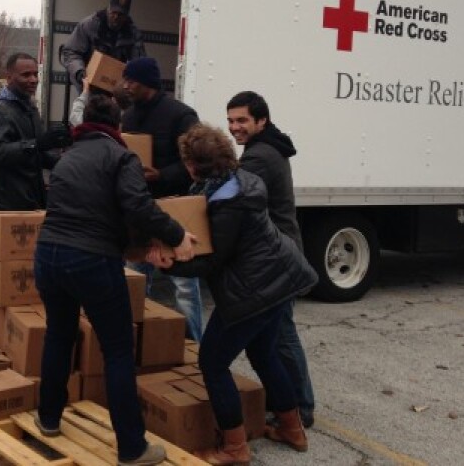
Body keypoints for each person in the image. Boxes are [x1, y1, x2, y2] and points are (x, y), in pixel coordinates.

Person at [34, 94, 197, 466]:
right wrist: (175, 235)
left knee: (59, 336)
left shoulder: (67, 157)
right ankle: (131, 448)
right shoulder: (121, 157)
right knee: (118, 350)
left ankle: (48, 418)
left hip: (48, 255)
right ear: (117, 125)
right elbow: (138, 207)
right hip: (90, 259)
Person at [148, 123, 318, 464]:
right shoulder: (237, 182)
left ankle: (235, 448)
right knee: (265, 354)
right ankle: (292, 429)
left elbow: (212, 263)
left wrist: (166, 265)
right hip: (279, 279)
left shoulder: (227, 203)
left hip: (254, 290)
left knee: (212, 362)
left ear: (193, 165)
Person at [227, 90, 316, 429]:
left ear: (261, 121)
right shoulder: (265, 147)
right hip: (279, 252)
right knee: (275, 335)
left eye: (242, 121)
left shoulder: (259, 157)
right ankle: (291, 403)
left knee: (280, 335)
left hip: (277, 258)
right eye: (231, 120)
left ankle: (301, 408)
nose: (235, 127)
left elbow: (234, 199)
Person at [120, 57, 204, 342]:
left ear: (149, 84)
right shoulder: (129, 116)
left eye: (132, 80)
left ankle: (194, 349)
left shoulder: (181, 115)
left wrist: (161, 175)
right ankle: (137, 343)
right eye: (125, 79)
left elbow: (198, 163)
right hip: (140, 211)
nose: (126, 85)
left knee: (184, 285)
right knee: (135, 278)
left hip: (175, 208)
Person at [0, 52, 72, 228]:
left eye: (36, 74)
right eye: (26, 75)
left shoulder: (29, 108)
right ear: (9, 78)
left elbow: (35, 155)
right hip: (4, 205)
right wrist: (37, 144)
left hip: (30, 200)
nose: (33, 80)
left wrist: (65, 161)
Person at [60, 0, 146, 93]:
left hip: (116, 88)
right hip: (88, 84)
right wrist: (79, 71)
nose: (116, 17)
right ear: (108, 8)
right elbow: (71, 52)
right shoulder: (89, 25)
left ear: (126, 15)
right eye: (113, 12)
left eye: (120, 14)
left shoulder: (133, 33)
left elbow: (139, 63)